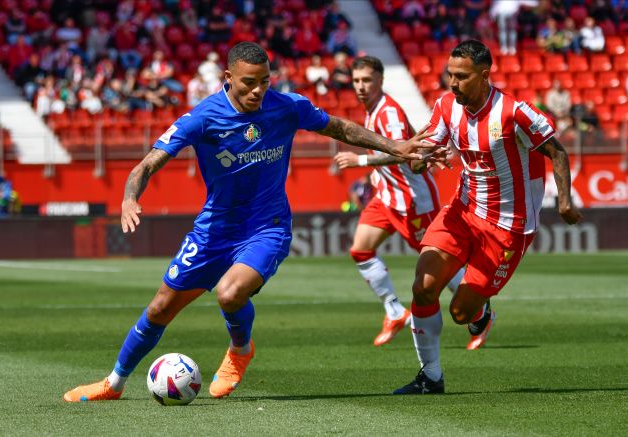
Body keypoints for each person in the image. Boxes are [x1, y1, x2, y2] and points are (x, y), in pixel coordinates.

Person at [63, 41, 440, 403]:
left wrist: (395, 146)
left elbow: (340, 128)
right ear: (228, 76)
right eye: (249, 82)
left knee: (230, 293)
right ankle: (114, 383)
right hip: (214, 230)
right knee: (161, 307)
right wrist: (130, 197)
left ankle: (240, 350)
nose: (258, 89)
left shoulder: (287, 106)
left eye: (265, 80)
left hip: (267, 227)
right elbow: (148, 163)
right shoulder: (203, 117)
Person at [392, 40, 582, 395]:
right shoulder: (446, 106)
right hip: (462, 211)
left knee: (461, 313)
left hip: (508, 227)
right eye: (450, 74)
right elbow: (421, 153)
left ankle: (480, 312)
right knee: (423, 286)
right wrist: (420, 160)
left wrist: (565, 202)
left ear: (484, 76)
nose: (452, 83)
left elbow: (557, 151)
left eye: (461, 76)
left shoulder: (515, 112)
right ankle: (430, 377)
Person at [334, 56, 466, 347]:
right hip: (387, 198)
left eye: (366, 80)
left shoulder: (389, 112)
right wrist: (376, 176)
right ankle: (394, 310)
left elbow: (401, 152)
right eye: (356, 81)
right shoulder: (372, 111)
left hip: (412, 199)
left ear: (380, 80)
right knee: (361, 250)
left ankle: (480, 308)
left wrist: (362, 160)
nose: (360, 86)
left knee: (437, 264)